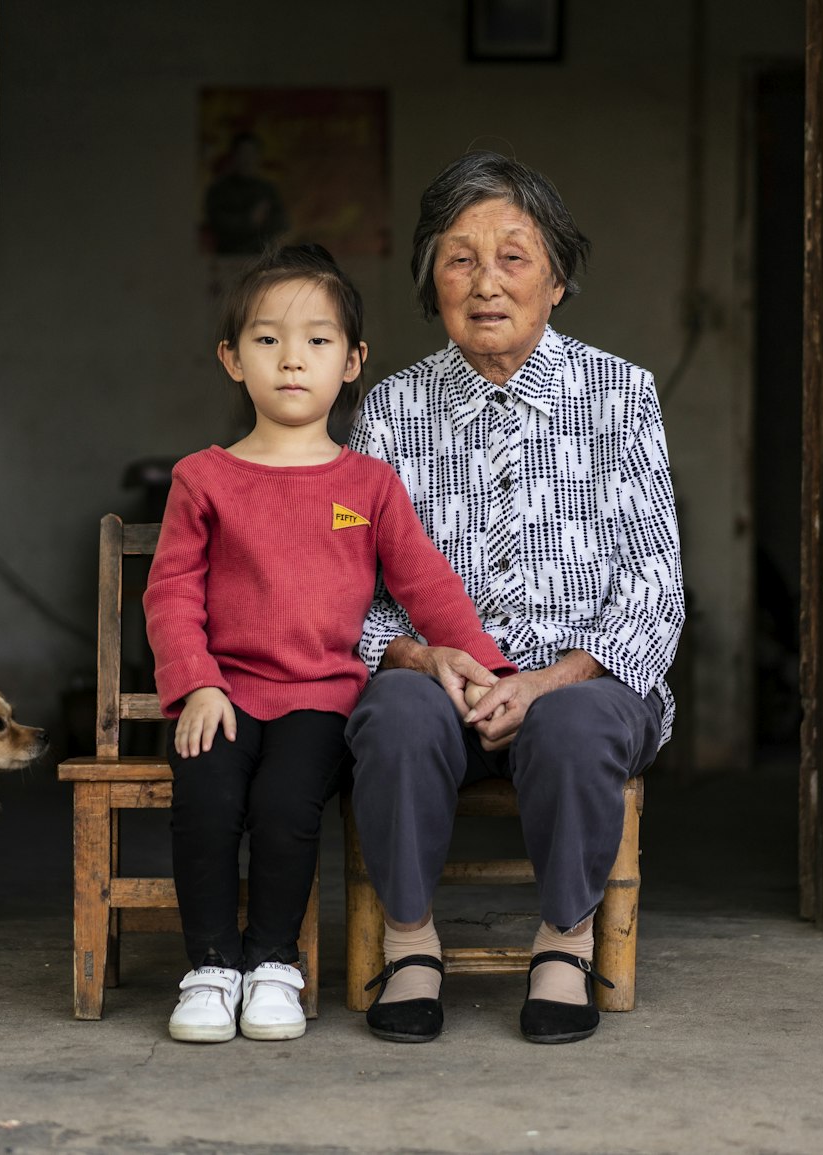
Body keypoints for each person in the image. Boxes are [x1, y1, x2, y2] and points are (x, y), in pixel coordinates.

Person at [346, 151, 686, 1045]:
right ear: (432, 281)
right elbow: (355, 591)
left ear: (558, 279)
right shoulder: (390, 410)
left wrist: (540, 682)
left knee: (574, 725)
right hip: (439, 679)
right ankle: (412, 943)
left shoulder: (622, 396)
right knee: (393, 716)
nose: (486, 282)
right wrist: (426, 658)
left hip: (581, 679)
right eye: (459, 258)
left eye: (514, 256)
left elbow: (654, 584)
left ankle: (564, 944)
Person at [144, 243, 515, 1044]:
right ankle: (210, 968)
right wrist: (195, 683)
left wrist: (483, 666)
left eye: (317, 341)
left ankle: (274, 964)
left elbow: (427, 585)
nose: (290, 360)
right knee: (206, 802)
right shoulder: (202, 478)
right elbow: (170, 591)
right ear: (231, 358)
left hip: (321, 698)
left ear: (353, 363)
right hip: (224, 694)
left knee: (285, 807)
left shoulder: (368, 484)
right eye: (267, 339)